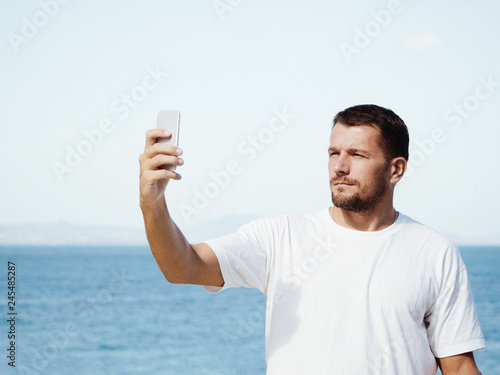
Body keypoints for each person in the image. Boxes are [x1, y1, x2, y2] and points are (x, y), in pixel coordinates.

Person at [138, 104, 485, 374]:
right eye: (334, 153)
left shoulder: (434, 252)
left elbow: (458, 367)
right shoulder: (280, 237)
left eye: (357, 155)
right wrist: (152, 202)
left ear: (396, 169)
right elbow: (183, 266)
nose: (340, 167)